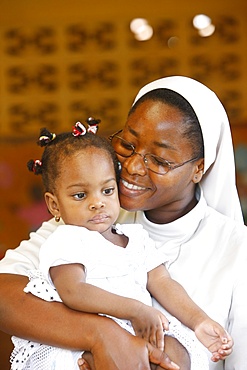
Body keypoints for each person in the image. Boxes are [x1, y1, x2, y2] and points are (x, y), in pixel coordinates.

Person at [0, 76, 246, 370]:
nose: (131, 167)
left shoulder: (236, 249)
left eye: (159, 160)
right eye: (127, 145)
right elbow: (5, 292)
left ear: (199, 169)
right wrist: (102, 336)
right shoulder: (91, 219)